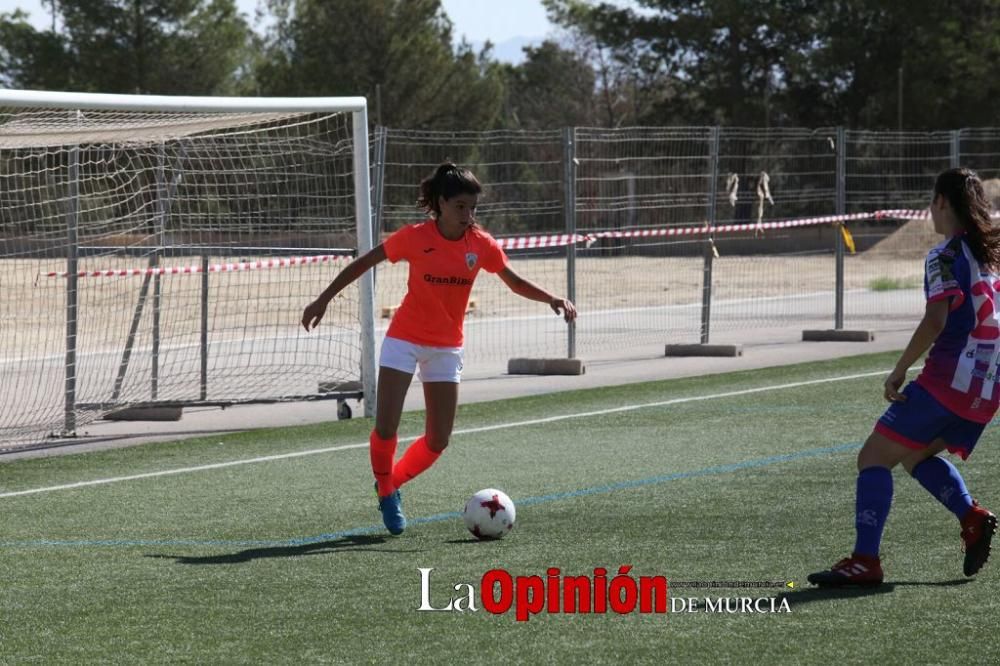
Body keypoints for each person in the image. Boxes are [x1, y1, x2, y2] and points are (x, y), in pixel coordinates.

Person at [301, 162, 577, 536]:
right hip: (404, 340)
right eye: (461, 206)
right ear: (441, 203)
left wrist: (552, 298)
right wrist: (323, 300)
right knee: (386, 427)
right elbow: (364, 263)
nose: (469, 215)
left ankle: (390, 481)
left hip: (446, 349)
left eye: (473, 207)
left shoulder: (480, 244)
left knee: (438, 439)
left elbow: (513, 281)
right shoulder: (415, 237)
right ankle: (386, 490)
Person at [808, 167, 998, 587]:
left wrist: (899, 369)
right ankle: (971, 517)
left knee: (872, 457)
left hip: (946, 384)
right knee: (914, 455)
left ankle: (865, 561)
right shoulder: (992, 258)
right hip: (986, 391)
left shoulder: (944, 256)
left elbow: (935, 319)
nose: (930, 210)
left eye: (932, 201)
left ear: (942, 203)